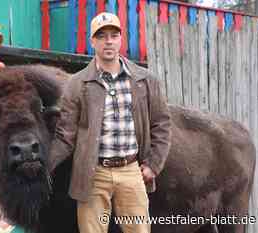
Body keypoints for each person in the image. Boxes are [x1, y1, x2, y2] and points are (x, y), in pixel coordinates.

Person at [48, 12, 171, 233]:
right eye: (102, 36)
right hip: (93, 173)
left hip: (131, 170)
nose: (109, 41)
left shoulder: (145, 80)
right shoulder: (77, 84)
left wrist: (154, 164)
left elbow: (162, 124)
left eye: (114, 35)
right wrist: (43, 167)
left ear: (120, 39)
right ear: (92, 41)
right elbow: (65, 136)